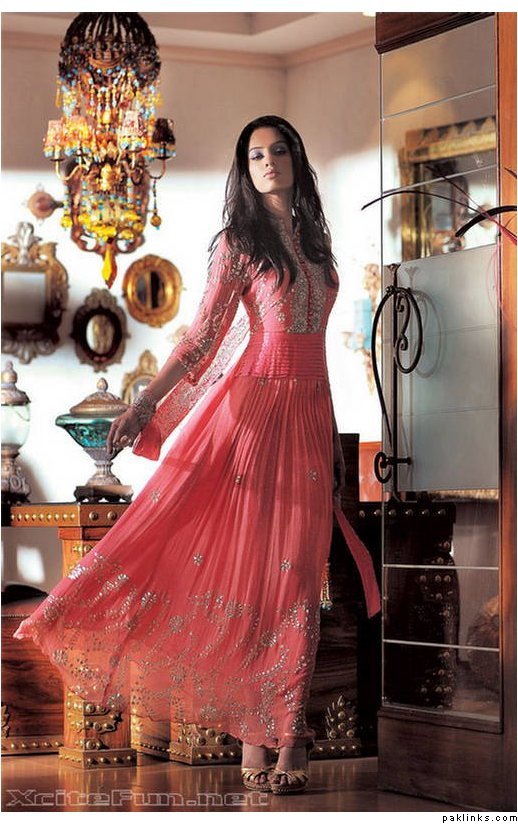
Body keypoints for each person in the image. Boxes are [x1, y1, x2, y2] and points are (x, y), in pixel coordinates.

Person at [13, 115, 380, 795]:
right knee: (254, 581)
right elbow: (202, 340)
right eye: (255, 154)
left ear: (296, 158)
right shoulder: (240, 244)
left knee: (297, 582)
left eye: (278, 150)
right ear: (245, 169)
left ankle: (286, 733)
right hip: (253, 417)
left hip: (307, 416)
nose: (268, 162)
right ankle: (266, 741)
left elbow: (319, 356)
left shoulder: (319, 244)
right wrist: (145, 404)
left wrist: (331, 437)